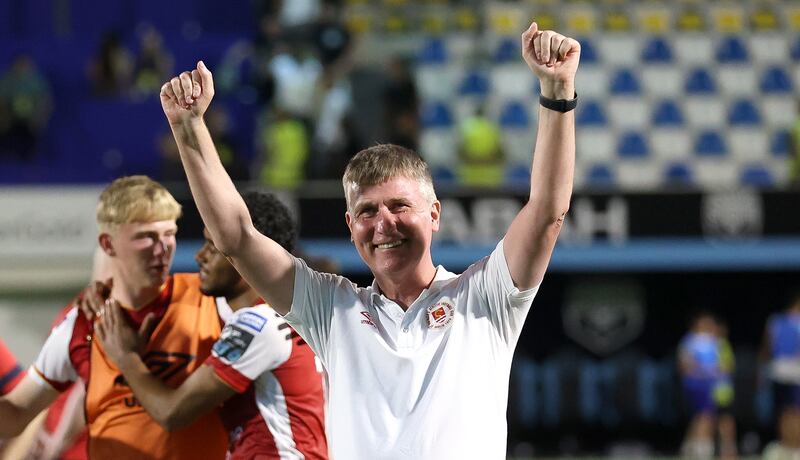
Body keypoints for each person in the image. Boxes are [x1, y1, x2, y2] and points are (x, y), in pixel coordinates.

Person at [162, 20, 578, 459]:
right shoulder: (331, 310)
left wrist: (557, 90)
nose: (383, 224)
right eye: (367, 211)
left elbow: (548, 212)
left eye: (399, 206)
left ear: (434, 214)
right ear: (350, 224)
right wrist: (189, 129)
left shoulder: (484, 297)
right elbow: (237, 238)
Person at [0, 175, 228, 459]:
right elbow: (15, 415)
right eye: (146, 237)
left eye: (169, 233)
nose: (163, 248)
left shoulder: (212, 301)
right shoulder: (81, 323)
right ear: (108, 244)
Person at [93, 191, 328, 459]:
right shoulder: (287, 315)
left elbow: (172, 413)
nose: (199, 256)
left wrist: (126, 357)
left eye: (212, 246)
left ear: (246, 255)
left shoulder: (257, 324)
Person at [678, 311, 726, 459]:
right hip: (697, 384)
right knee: (705, 416)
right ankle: (702, 450)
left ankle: (690, 447)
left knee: (702, 416)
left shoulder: (713, 341)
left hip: (710, 384)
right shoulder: (691, 341)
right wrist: (699, 372)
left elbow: (719, 364)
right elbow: (684, 365)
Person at [761, 293, 800, 457]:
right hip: (792, 371)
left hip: (778, 370)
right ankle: (792, 447)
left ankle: (788, 446)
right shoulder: (778, 321)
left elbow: (766, 348)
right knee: (793, 412)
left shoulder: (775, 321)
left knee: (786, 412)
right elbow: (768, 346)